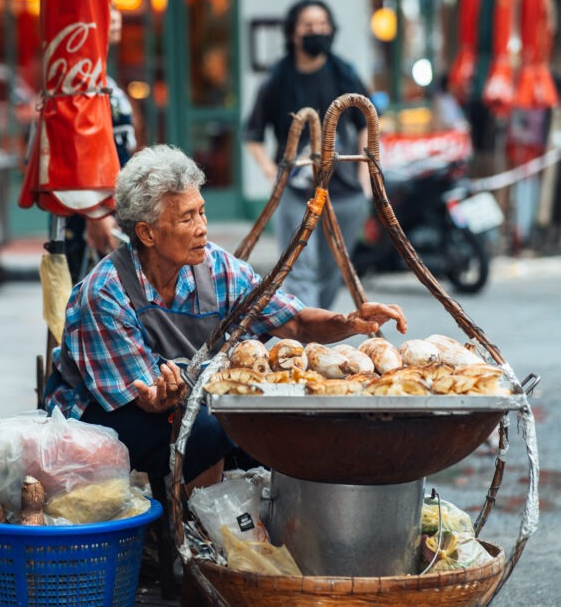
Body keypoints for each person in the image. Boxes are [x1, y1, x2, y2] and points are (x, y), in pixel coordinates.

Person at [43, 144, 408, 493]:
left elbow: (293, 322)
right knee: (207, 431)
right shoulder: (105, 292)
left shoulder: (217, 267)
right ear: (147, 233)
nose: (203, 226)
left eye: (201, 211)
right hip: (96, 417)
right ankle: (194, 533)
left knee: (269, 433)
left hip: (177, 397)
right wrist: (163, 398)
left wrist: (348, 322)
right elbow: (144, 399)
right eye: (187, 218)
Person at [244, 0, 373, 309]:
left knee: (333, 272)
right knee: (299, 268)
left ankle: (317, 329)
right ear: (293, 32)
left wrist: (364, 173)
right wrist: (269, 170)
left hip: (344, 193)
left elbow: (368, 121)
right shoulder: (277, 80)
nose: (316, 31)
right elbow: (252, 134)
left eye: (322, 25)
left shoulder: (345, 74)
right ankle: (305, 333)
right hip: (295, 191)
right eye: (308, 25)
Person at [64, 3, 138, 281]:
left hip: (114, 208)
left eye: (117, 9)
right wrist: (94, 216)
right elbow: (76, 151)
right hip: (88, 213)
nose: (116, 17)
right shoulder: (79, 79)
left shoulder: (104, 77)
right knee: (87, 303)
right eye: (106, 10)